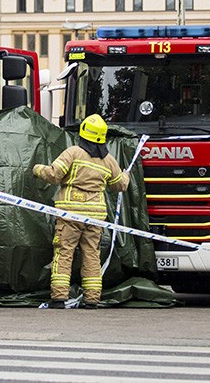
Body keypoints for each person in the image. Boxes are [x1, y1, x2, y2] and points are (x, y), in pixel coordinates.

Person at [32, 114, 129, 309]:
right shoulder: (109, 160)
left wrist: (37, 169)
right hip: (95, 218)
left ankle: (59, 298)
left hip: (70, 214)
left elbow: (54, 175)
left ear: (83, 133)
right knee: (92, 256)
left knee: (64, 253)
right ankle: (92, 300)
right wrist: (125, 175)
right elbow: (120, 185)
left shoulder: (73, 152)